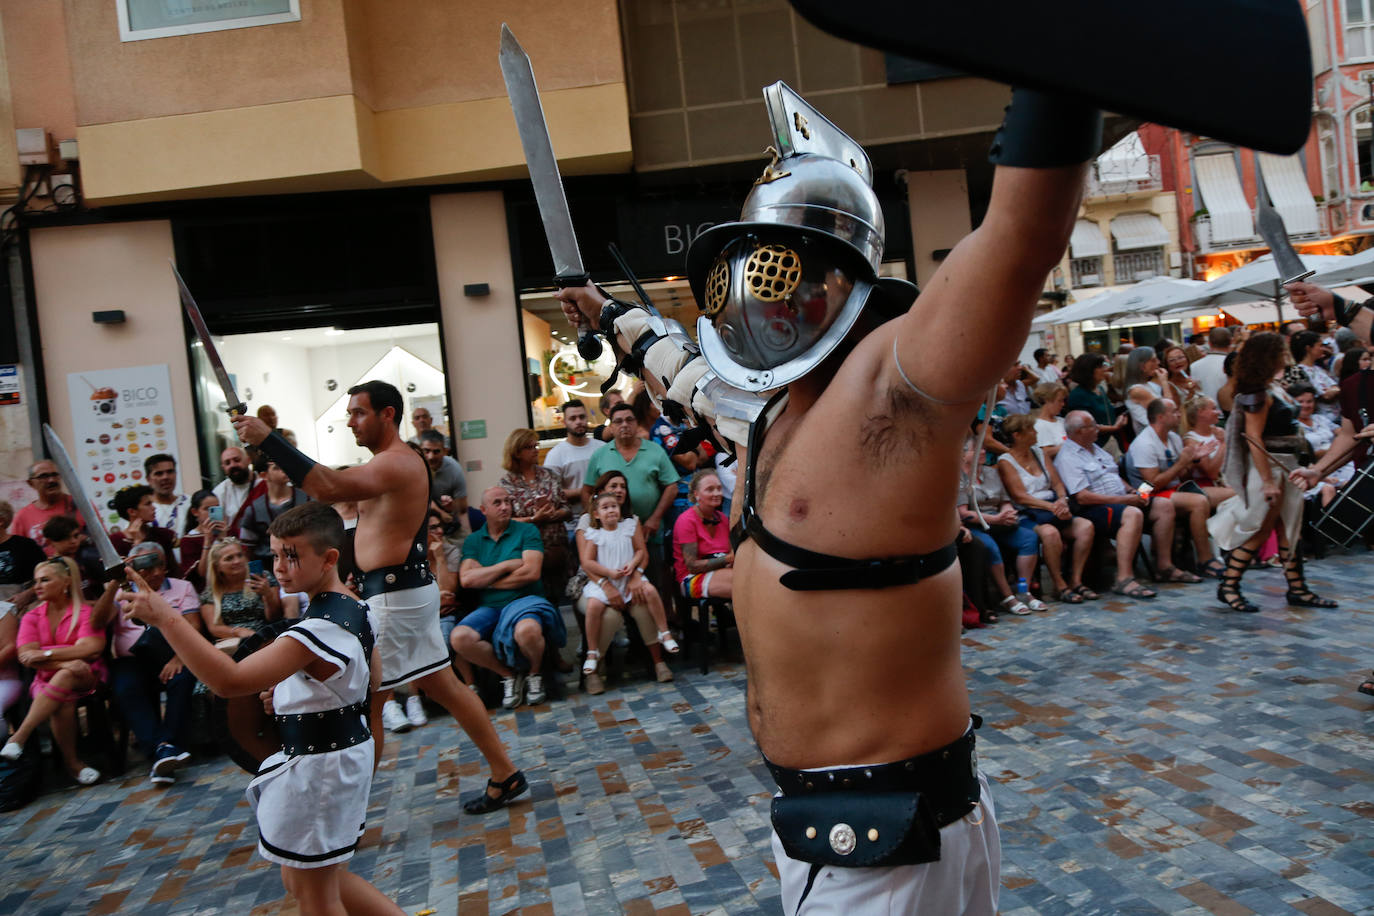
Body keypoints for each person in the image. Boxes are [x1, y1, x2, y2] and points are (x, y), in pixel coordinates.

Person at [558, 84, 1102, 912]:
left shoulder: (895, 390)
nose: (757, 299)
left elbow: (1021, 241)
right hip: (837, 823)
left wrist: (1056, 67)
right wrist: (610, 314)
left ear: (831, 286)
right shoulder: (769, 413)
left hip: (887, 838)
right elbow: (688, 372)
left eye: (775, 272)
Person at [231, 379, 524, 812]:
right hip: (398, 592)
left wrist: (270, 442)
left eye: (359, 412)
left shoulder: (398, 463)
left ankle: (346, 817)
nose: (350, 422)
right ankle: (505, 773)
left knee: (366, 703)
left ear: (387, 414)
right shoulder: (389, 464)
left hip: (395, 598)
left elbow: (327, 487)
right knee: (444, 686)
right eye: (349, 413)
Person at [118, 503, 404, 916]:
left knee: (316, 895)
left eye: (292, 556)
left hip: (320, 768)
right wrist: (294, 690)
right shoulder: (356, 606)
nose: (280, 567)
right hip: (333, 757)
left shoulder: (318, 628)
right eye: (274, 555)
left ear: (329, 558)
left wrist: (167, 619)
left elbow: (228, 682)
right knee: (305, 878)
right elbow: (368, 680)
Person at [1208, 333, 1335, 612]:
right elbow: (1254, 438)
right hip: (1272, 468)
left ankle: (1298, 589)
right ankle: (1229, 586)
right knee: (1262, 529)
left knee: (1289, 529)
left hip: (1284, 466)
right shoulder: (1258, 392)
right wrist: (1267, 481)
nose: (1285, 355)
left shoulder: (1268, 387)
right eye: (1280, 351)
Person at [453, 486, 567, 711]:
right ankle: (510, 676)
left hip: (525, 600)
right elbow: (466, 579)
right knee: (460, 638)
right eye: (497, 503)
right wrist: (507, 565)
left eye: (508, 501)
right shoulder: (474, 541)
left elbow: (531, 573)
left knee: (527, 631)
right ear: (484, 510)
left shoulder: (527, 532)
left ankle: (534, 674)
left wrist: (488, 579)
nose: (505, 506)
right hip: (490, 607)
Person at [101, 543, 201, 785]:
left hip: (171, 654)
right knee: (126, 686)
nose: (156, 571)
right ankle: (165, 748)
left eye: (160, 564)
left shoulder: (182, 587)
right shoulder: (121, 590)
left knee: (183, 678)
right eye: (147, 565)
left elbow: (194, 627)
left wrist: (179, 657)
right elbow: (98, 621)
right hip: (132, 659)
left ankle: (163, 749)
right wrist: (116, 579)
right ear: (134, 566)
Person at [1, 557, 106, 785]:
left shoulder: (85, 611)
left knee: (68, 676)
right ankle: (74, 765)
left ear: (66, 582)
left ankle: (20, 736)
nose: (37, 586)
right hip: (51, 680)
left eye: (45, 580)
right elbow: (26, 655)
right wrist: (67, 659)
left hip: (87, 675)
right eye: (36, 581)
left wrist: (46, 654)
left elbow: (92, 649)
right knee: (63, 694)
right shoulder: (31, 616)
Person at [576, 471, 679, 693]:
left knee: (644, 604)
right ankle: (595, 667)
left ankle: (658, 661)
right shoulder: (590, 523)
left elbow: (642, 553)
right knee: (610, 616)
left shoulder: (630, 521)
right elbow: (587, 563)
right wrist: (607, 583)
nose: (619, 490)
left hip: (626, 579)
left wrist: (634, 575)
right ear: (600, 496)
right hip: (596, 583)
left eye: (622, 486)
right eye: (613, 486)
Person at [1055, 411, 1170, 599]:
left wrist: (1132, 492)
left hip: (1119, 500)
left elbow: (1113, 475)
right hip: (1093, 508)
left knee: (1163, 505)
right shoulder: (1068, 456)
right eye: (1092, 425)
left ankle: (1165, 566)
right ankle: (1124, 578)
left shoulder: (1096, 448)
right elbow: (1082, 497)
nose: (1098, 428)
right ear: (1079, 431)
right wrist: (1125, 500)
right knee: (1132, 513)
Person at [997, 414, 1096, 604]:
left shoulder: (1039, 453)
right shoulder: (1006, 461)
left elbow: (1057, 483)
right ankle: (1060, 584)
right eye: (1030, 430)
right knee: (1050, 534)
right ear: (1017, 435)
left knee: (1085, 527)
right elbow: (1020, 496)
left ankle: (1076, 579)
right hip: (1029, 512)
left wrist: (1062, 501)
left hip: (1052, 507)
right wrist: (1052, 507)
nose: (1035, 433)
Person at [582, 403, 680, 590]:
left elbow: (672, 486)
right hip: (612, 534)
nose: (624, 425)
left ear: (637, 424)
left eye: (629, 420)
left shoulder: (654, 450)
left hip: (649, 530)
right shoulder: (600, 455)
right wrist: (596, 520)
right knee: (620, 580)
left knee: (657, 579)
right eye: (618, 421)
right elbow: (587, 490)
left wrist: (654, 519)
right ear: (611, 427)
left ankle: (666, 615)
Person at [1124, 398, 1221, 579]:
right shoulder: (1144, 443)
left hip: (1175, 488)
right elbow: (1151, 485)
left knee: (1231, 495)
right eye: (1174, 412)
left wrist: (1193, 461)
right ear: (1161, 417)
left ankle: (1236, 550)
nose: (1179, 415)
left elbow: (1183, 475)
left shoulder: (1174, 438)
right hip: (1146, 494)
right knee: (1199, 501)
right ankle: (1205, 559)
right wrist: (1181, 463)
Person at [959, 435, 1045, 616]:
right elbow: (964, 513)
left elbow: (1004, 500)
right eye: (977, 449)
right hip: (977, 524)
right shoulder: (958, 477)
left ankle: (1024, 591)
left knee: (1029, 538)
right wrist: (996, 519)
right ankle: (1007, 597)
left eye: (984, 448)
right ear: (963, 454)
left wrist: (1008, 513)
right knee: (990, 547)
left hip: (1000, 521)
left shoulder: (991, 472)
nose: (983, 452)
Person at [499, 428, 572, 605]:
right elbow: (505, 521)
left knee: (565, 596)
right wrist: (534, 520)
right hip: (527, 552)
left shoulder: (549, 475)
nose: (536, 450)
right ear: (516, 452)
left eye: (536, 445)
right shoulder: (506, 483)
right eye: (529, 447)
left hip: (557, 546)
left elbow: (567, 510)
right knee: (538, 600)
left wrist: (555, 514)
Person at [200, 538, 282, 639]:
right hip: (233, 642)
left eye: (240, 555)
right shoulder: (210, 593)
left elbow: (275, 617)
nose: (237, 561)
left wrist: (267, 595)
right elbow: (214, 628)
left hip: (267, 636)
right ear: (217, 567)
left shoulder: (263, 578)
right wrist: (239, 632)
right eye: (229, 558)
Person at [672, 469, 734, 603]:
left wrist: (730, 559)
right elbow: (692, 566)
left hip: (721, 572)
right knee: (741, 583)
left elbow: (730, 554)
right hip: (691, 578)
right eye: (710, 489)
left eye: (719, 488)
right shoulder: (686, 521)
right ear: (696, 494)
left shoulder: (723, 519)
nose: (716, 493)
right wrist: (728, 559)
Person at [543, 399, 601, 533]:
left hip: (603, 519)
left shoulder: (601, 448)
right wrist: (585, 491)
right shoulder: (555, 455)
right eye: (572, 418)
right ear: (564, 422)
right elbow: (550, 493)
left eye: (582, 417)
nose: (578, 421)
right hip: (571, 524)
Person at [237, 462, 311, 565]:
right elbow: (247, 549)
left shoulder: (307, 500)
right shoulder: (254, 509)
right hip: (269, 567)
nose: (284, 470)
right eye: (276, 468)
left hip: (304, 562)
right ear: (264, 475)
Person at [1291, 383, 1351, 506]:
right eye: (1301, 402)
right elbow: (1306, 455)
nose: (1306, 405)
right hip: (1314, 467)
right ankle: (1330, 524)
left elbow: (1345, 433)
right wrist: (1333, 449)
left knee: (1352, 484)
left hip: (1339, 463)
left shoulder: (1320, 418)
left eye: (1309, 401)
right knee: (1329, 488)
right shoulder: (1293, 426)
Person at [12, 460, 82, 555]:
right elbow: (18, 553)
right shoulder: (22, 517)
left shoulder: (81, 505)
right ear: (30, 483)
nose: (51, 480)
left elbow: (101, 539)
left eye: (54, 475)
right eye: (43, 476)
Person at [1065, 354, 1128, 448]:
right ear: (1088, 371)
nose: (1104, 369)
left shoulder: (1099, 389)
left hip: (1111, 441)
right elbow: (1083, 426)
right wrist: (1113, 427)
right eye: (1099, 367)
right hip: (1096, 445)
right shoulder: (1078, 395)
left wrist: (1120, 418)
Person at [1182, 397, 1234, 509]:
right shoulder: (1191, 439)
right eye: (1214, 409)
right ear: (1201, 412)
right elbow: (1212, 473)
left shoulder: (1219, 432)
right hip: (1209, 484)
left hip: (1230, 479)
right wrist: (1223, 443)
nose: (1219, 412)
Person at [418, 429, 468, 535]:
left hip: (450, 524)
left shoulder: (454, 469)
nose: (431, 457)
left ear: (445, 451)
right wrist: (440, 512)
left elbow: (462, 509)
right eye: (426, 451)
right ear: (420, 450)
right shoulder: (414, 467)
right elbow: (419, 499)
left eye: (436, 451)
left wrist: (451, 506)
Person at [109, 484, 178, 558]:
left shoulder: (163, 534)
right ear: (132, 511)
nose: (154, 507)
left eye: (152, 503)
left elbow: (173, 568)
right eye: (148, 504)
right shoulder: (115, 541)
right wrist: (137, 542)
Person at [0, 500, 46, 608]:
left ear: (1, 521)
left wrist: (29, 594)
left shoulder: (25, 545)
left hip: (20, 605)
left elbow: (47, 576)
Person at [1291, 331, 1342, 424]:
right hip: (1323, 420)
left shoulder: (1318, 369)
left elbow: (1335, 387)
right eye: (1319, 345)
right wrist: (1334, 391)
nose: (1323, 349)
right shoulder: (1299, 372)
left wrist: (1334, 390)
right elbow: (1325, 396)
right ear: (1308, 348)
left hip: (1336, 417)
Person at [179, 489, 225, 588]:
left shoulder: (227, 531)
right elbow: (202, 573)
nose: (212, 514)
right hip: (207, 590)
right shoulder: (188, 541)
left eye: (217, 508)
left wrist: (223, 538)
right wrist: (208, 541)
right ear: (195, 512)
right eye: (207, 509)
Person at [144, 453, 191, 537]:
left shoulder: (189, 502)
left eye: (170, 472)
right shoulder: (142, 509)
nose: (165, 477)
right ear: (148, 479)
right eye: (159, 473)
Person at [1123, 346, 1167, 435]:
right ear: (1142, 366)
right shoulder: (1136, 390)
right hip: (1151, 438)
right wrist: (1164, 381)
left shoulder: (1148, 385)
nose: (1158, 363)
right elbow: (1167, 409)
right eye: (1153, 360)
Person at [211, 447, 255, 530]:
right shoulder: (219, 492)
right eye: (227, 463)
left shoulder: (264, 484)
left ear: (248, 460)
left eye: (237, 460)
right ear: (223, 468)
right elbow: (217, 528)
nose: (233, 465)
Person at [1190, 327, 1233, 401]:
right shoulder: (1234, 363)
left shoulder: (1194, 366)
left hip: (1204, 410)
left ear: (1209, 343)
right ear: (1231, 342)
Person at [1161, 345, 1201, 423]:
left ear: (1187, 359)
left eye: (1180, 357)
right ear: (1167, 366)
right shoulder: (1170, 386)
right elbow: (1177, 414)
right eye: (1172, 360)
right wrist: (1191, 393)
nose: (1177, 362)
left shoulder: (1194, 377)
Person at [1030, 381, 1068, 459]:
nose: (1063, 404)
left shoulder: (1062, 421)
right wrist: (1069, 445)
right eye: (1060, 401)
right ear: (1047, 400)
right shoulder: (1039, 425)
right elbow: (1045, 452)